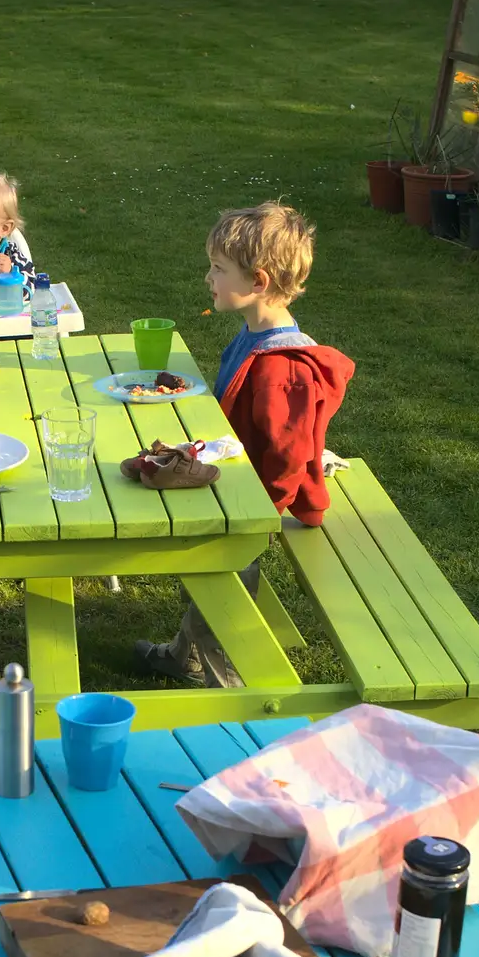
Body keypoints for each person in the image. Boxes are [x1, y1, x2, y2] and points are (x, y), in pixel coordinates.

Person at [134, 201, 355, 687]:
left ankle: (229, 698)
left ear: (257, 281)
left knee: (223, 580)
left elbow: (287, 455)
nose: (208, 278)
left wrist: (253, 515)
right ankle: (182, 655)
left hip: (253, 499)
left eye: (218, 269)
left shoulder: (282, 368)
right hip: (236, 479)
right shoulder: (254, 335)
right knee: (198, 559)